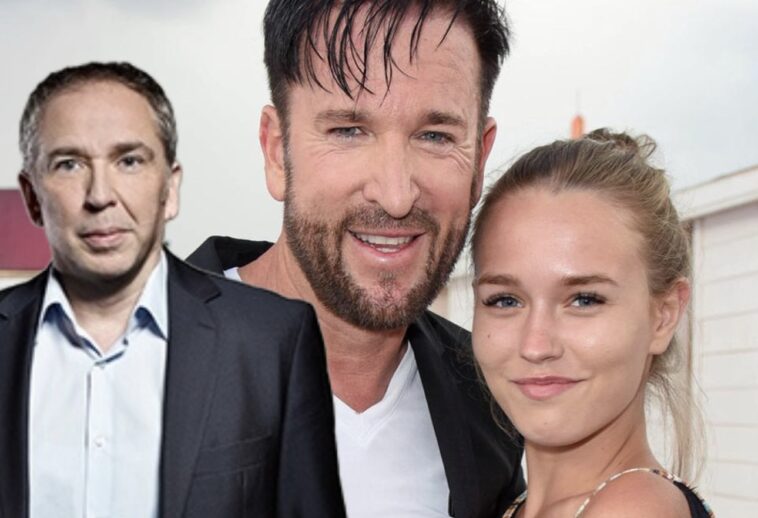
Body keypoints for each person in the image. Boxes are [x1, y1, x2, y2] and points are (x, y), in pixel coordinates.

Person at [187, 1, 525, 516]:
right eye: (348, 130)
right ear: (277, 152)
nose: (395, 195)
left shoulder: (494, 403)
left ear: (479, 160)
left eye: (435, 136)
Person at [0, 62, 345, 518]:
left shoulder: (272, 340)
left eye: (129, 161)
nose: (100, 194)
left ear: (171, 188)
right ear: (31, 196)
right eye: (69, 164)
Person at [470, 129, 714, 517]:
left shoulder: (634, 509)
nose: (535, 345)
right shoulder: (516, 505)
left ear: (664, 315)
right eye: (505, 300)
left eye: (584, 300)